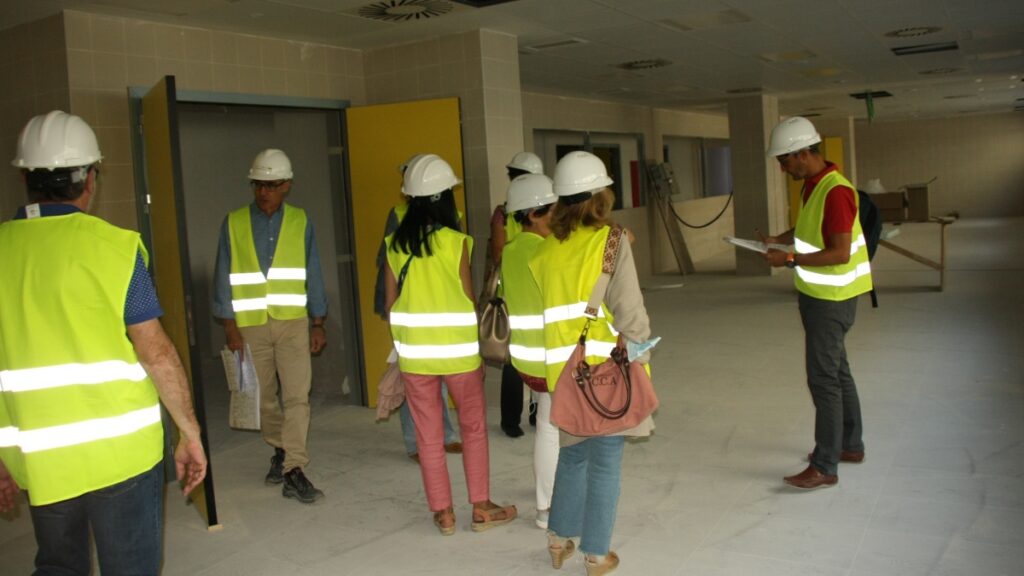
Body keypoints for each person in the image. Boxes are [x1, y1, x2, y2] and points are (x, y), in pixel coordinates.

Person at [0, 110, 207, 574]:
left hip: (41, 455)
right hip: (122, 456)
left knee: (58, 566)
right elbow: (155, 351)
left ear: (24, 177)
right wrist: (188, 431)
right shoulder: (116, 249)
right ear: (90, 179)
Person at [530, 151, 653, 575]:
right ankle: (597, 555)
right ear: (600, 196)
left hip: (562, 376)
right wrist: (643, 368)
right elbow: (631, 315)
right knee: (604, 464)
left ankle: (557, 539)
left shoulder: (545, 254)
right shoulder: (612, 242)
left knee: (573, 458)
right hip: (604, 378)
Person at [383, 153, 517, 535]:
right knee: (472, 428)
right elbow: (466, 294)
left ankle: (443, 513)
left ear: (409, 199)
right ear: (445, 198)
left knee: (428, 436)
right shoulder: (457, 241)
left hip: (416, 357)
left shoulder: (394, 245)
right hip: (459, 354)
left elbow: (390, 304)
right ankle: (481, 507)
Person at [761, 116, 872, 490]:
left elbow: (840, 252)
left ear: (804, 153)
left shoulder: (836, 191)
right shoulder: (814, 185)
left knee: (824, 379)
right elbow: (811, 229)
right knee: (838, 371)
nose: (782, 167)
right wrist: (783, 238)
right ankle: (850, 445)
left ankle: (826, 464)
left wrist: (789, 260)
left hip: (831, 298)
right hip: (820, 295)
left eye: (785, 160)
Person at [213, 148, 327, 503]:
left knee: (297, 397)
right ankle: (279, 447)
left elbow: (313, 271)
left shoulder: (300, 220)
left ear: (287, 186)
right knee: (264, 399)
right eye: (258, 185)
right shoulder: (233, 222)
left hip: (293, 321)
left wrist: (318, 320)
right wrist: (229, 326)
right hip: (250, 326)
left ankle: (294, 467)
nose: (264, 191)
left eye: (272, 185)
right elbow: (222, 277)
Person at [373, 177, 461, 464]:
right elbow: (384, 262)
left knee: (440, 381)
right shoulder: (397, 216)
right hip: (412, 314)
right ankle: (415, 443)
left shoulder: (452, 221)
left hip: (441, 315)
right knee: (414, 382)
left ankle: (444, 436)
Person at [499, 173, 560, 530]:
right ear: (535, 213)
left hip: (526, 357)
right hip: (552, 356)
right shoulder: (545, 250)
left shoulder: (510, 250)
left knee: (548, 430)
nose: (559, 216)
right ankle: (547, 508)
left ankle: (548, 501)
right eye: (554, 209)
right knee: (552, 431)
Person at [489, 151, 544, 437]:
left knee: (538, 352)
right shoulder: (504, 211)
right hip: (515, 286)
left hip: (534, 282)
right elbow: (498, 253)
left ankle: (537, 414)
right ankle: (511, 419)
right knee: (514, 359)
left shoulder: (543, 207)